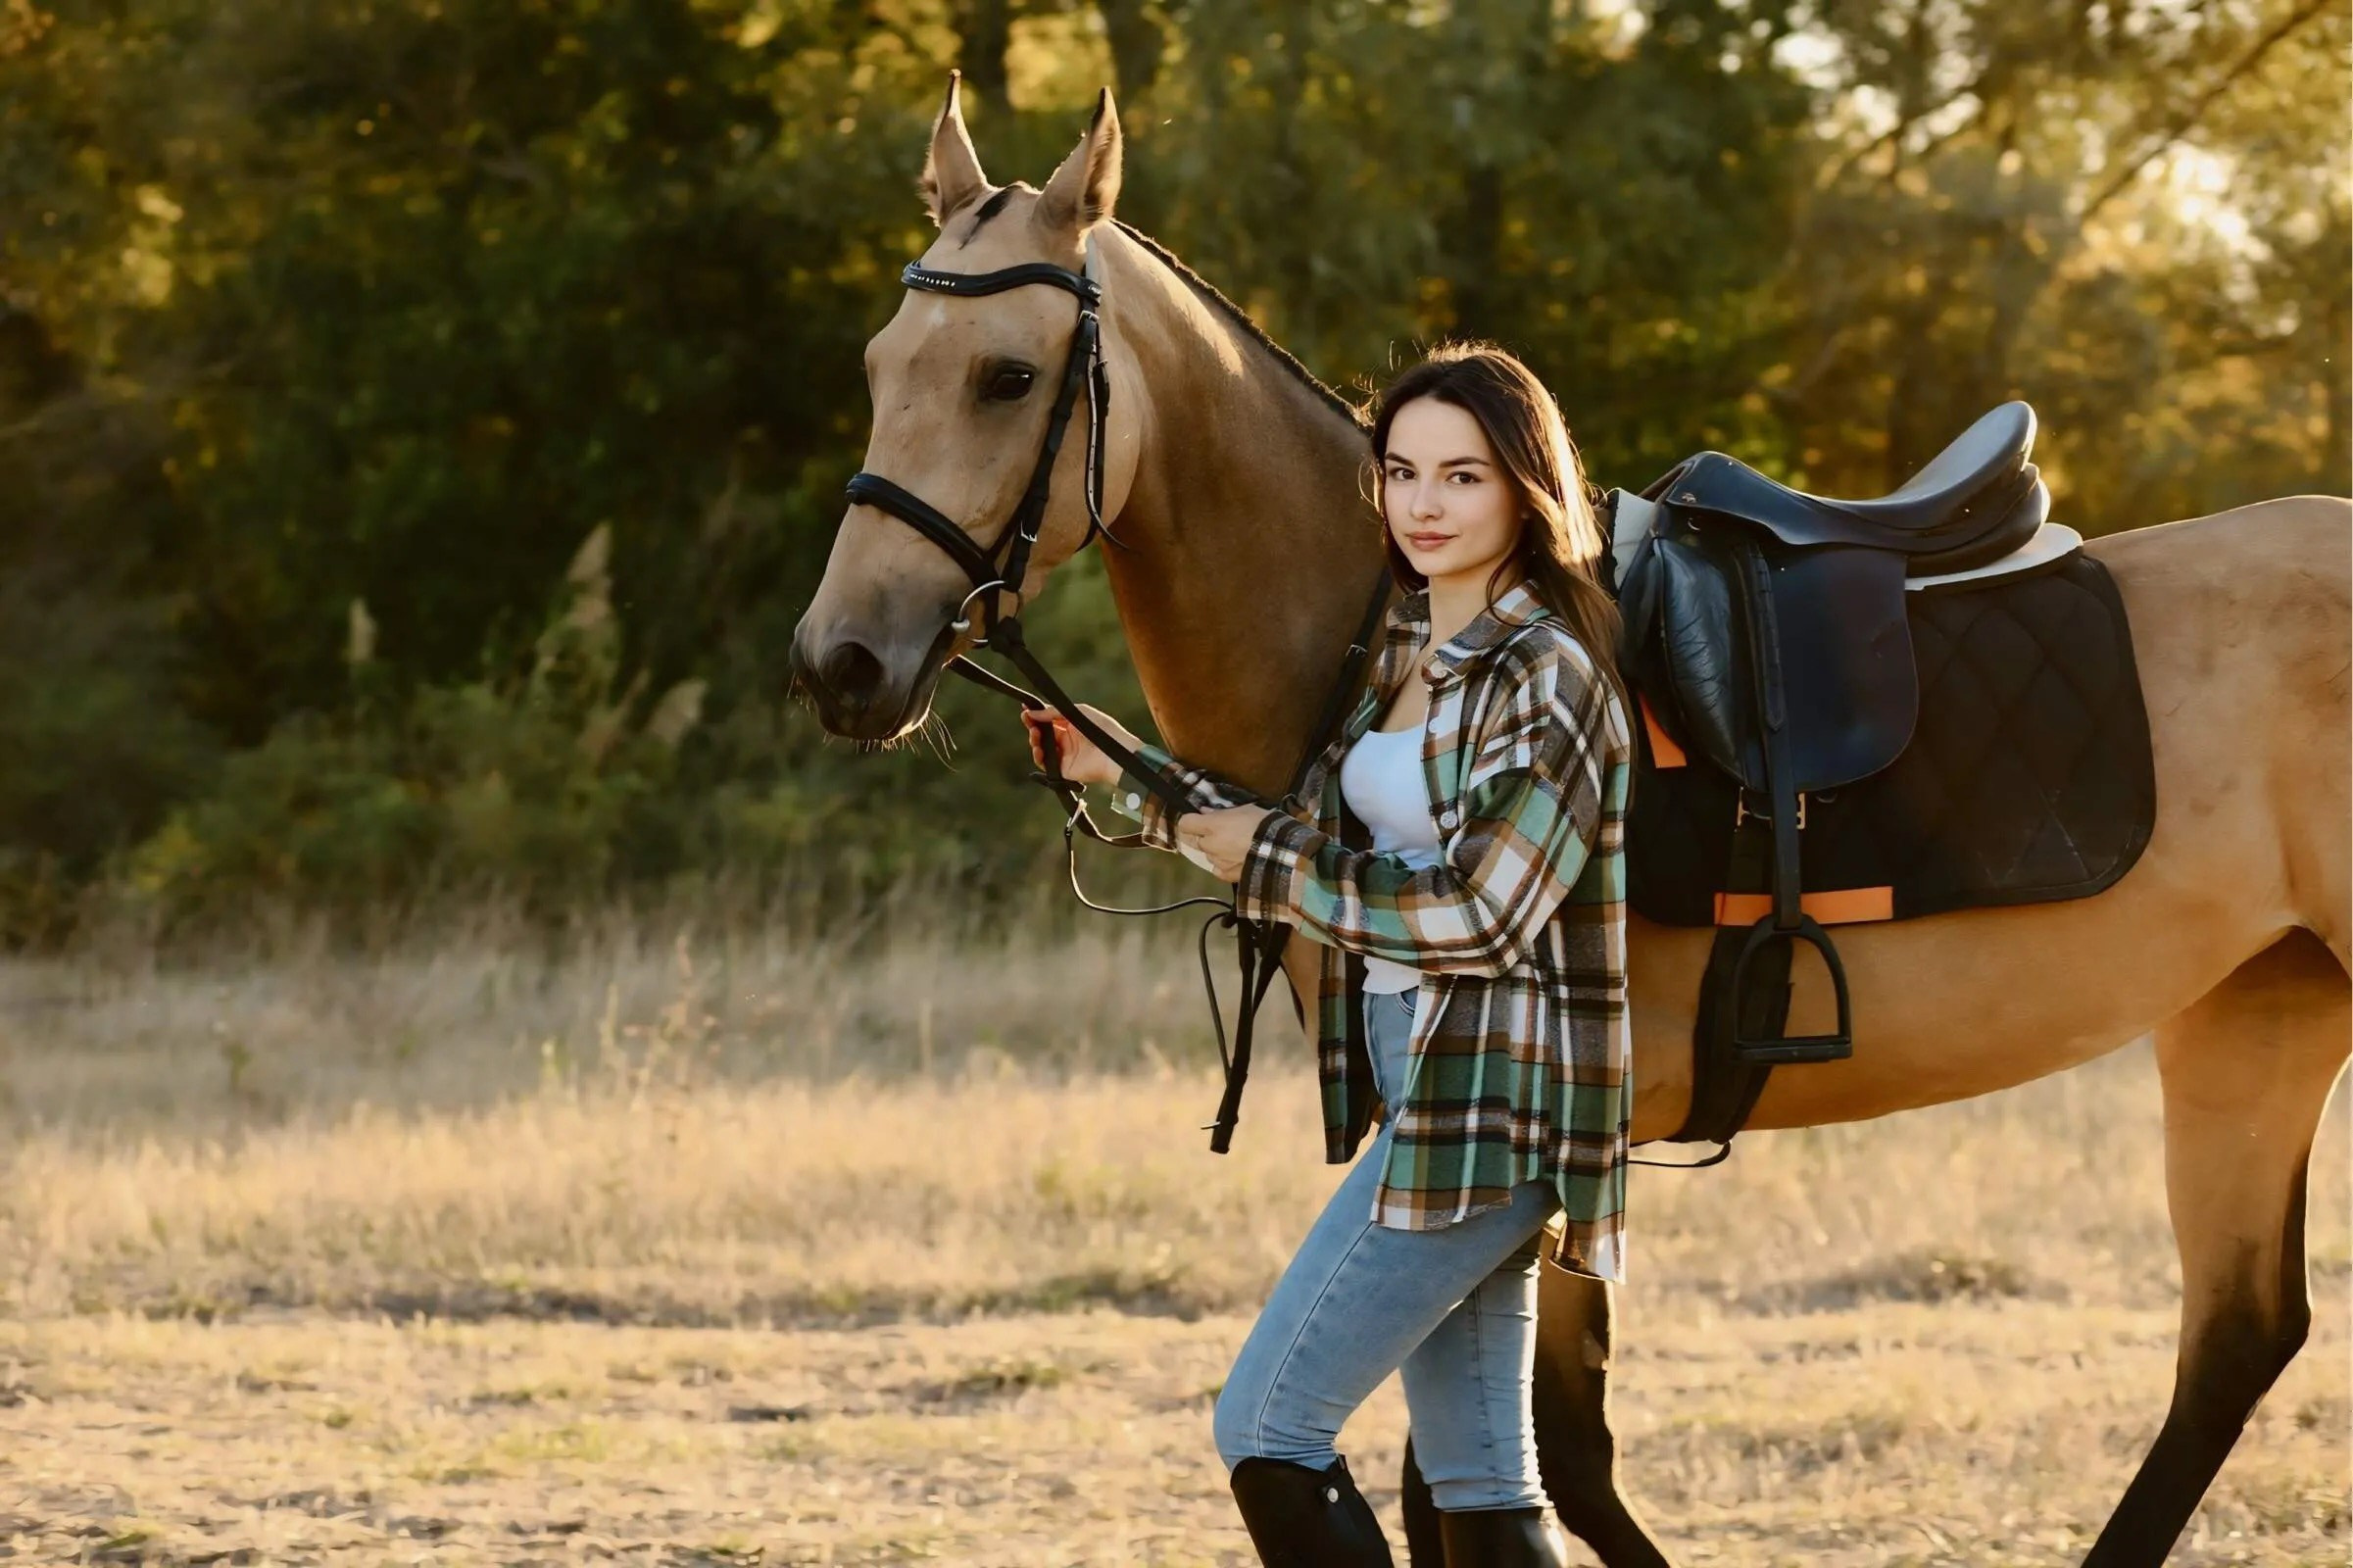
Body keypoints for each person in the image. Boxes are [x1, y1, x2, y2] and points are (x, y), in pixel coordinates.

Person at [1021, 343, 1633, 1568]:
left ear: (1526, 487)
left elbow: (1480, 917)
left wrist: (1267, 862)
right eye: (1401, 471)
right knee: (1482, 1472)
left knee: (1266, 1422)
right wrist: (1127, 763)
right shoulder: (1410, 656)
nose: (1423, 503)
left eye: (1462, 476)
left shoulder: (1548, 677)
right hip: (1426, 1076)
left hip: (1496, 1102)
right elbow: (1306, 842)